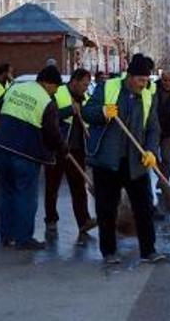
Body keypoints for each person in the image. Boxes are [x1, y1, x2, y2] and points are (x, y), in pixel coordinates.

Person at [83, 54, 165, 264]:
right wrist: (102, 111)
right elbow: (87, 112)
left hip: (135, 161)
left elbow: (153, 128)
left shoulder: (147, 95)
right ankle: (109, 252)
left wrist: (151, 151)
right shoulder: (107, 88)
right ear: (130, 76)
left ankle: (149, 251)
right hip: (107, 159)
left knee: (144, 207)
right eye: (140, 80)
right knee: (106, 208)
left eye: (146, 80)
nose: (143, 84)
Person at [0, 65, 67, 250]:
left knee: (6, 193)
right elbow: (52, 133)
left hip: (2, 148)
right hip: (25, 154)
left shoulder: (15, 88)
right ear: (48, 83)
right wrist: (62, 148)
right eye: (55, 88)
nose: (55, 92)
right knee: (25, 195)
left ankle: (6, 235)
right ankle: (23, 238)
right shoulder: (46, 101)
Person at [44, 68, 96, 235]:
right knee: (52, 186)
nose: (86, 88)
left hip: (77, 148)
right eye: (84, 84)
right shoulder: (58, 94)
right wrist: (69, 110)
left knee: (78, 187)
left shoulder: (85, 99)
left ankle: (84, 221)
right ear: (74, 82)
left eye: (88, 85)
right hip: (58, 147)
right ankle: (51, 218)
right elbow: (49, 118)